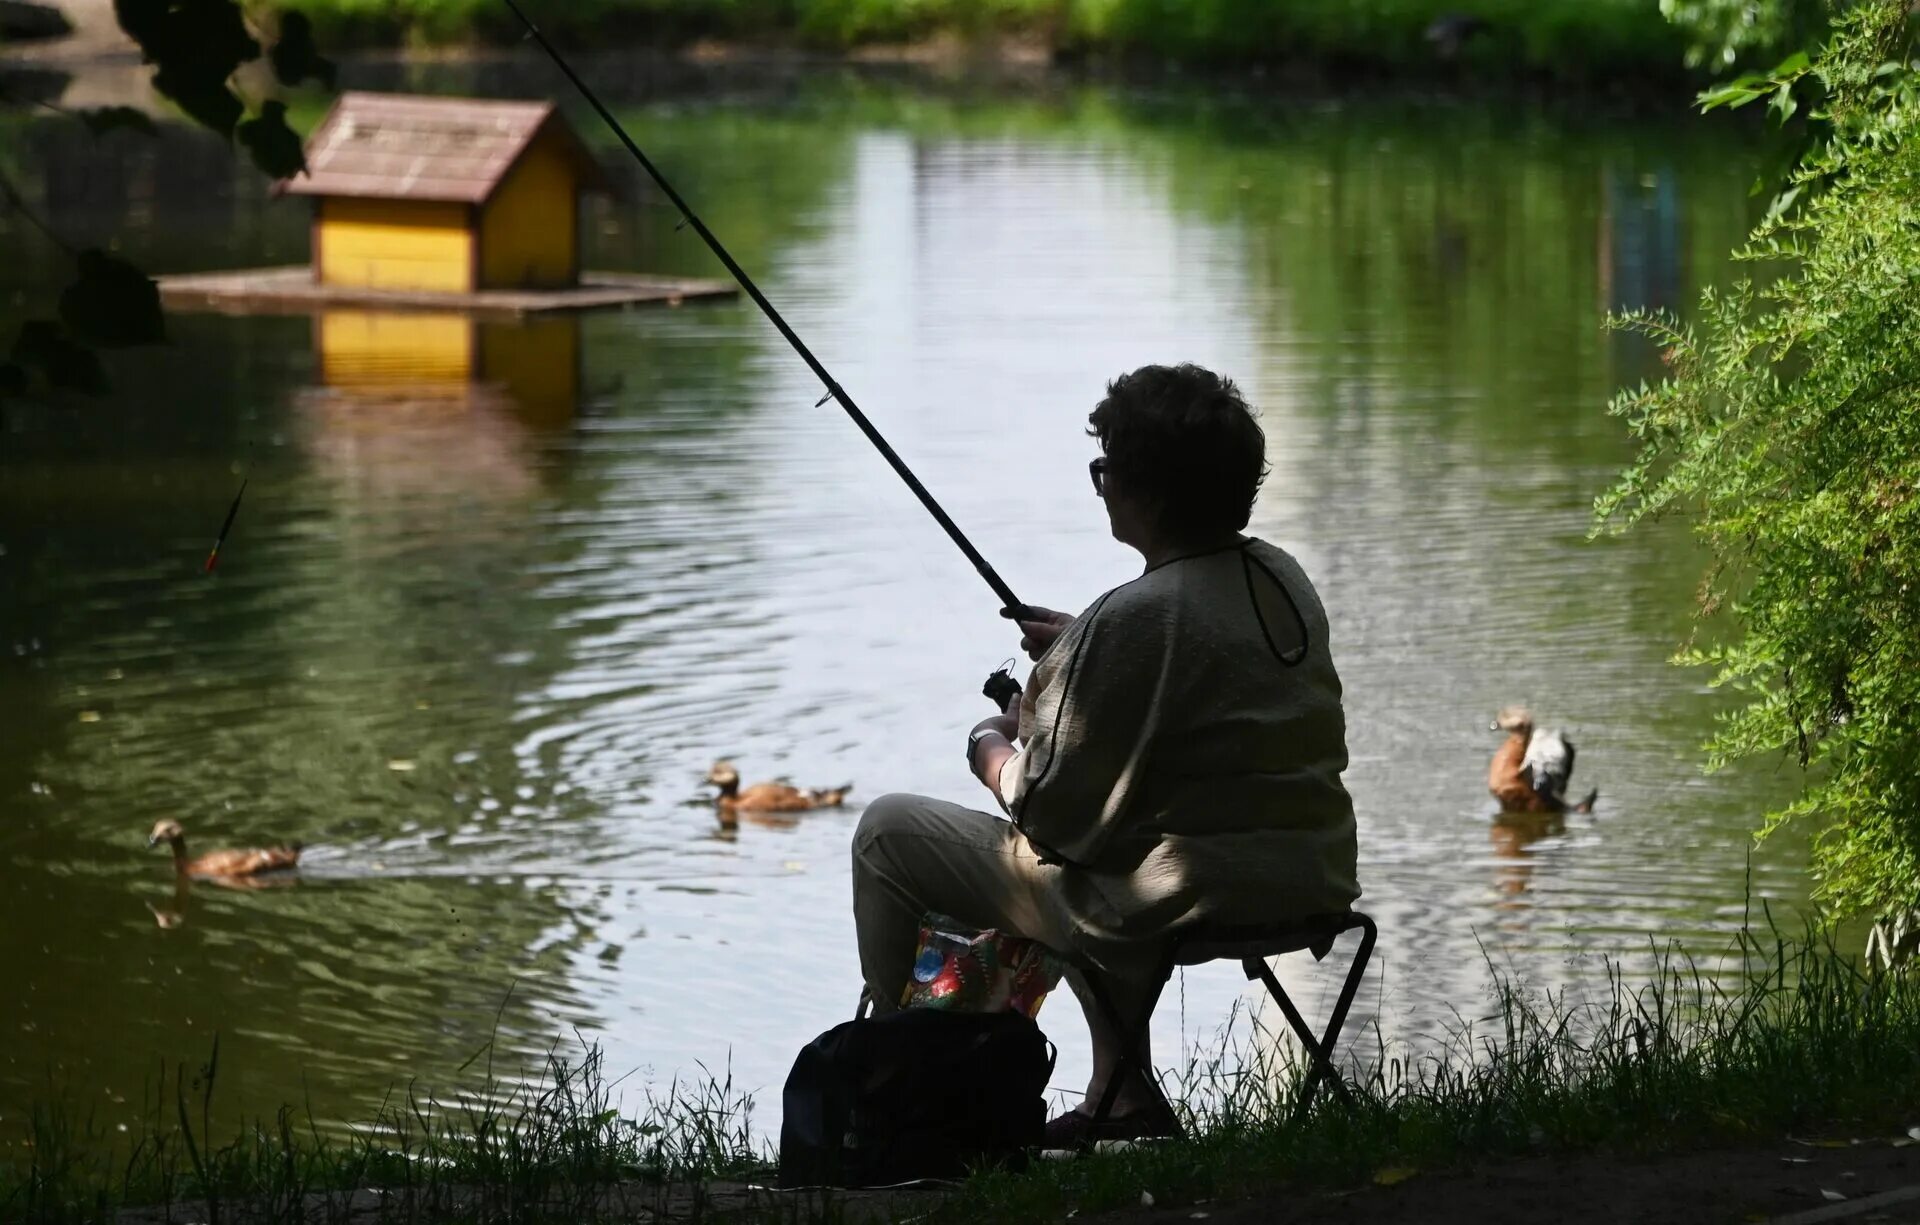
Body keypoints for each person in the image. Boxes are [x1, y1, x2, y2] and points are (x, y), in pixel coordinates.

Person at [850, 362, 1359, 1147]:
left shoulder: (1136, 620)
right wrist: (1084, 641)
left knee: (888, 831)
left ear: (1148, 490)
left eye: (1106, 467)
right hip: (1306, 878)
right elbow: (1197, 672)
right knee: (1119, 846)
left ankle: (893, 1090)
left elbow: (1050, 814)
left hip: (1181, 903)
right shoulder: (1281, 578)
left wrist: (994, 743)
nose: (1100, 483)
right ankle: (1122, 1097)